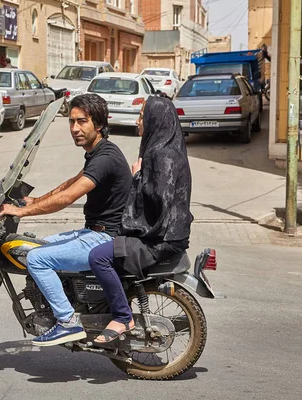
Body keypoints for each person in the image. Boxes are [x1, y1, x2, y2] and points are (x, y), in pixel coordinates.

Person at [0, 94, 132, 346]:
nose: (75, 128)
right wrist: (35, 200)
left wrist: (21, 212)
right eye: (71, 122)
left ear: (99, 124)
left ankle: (68, 322)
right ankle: (68, 303)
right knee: (39, 245)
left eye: (82, 121)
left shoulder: (106, 157)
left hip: (105, 237)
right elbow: (71, 182)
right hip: (95, 231)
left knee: (37, 259)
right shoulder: (98, 153)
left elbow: (69, 196)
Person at [87, 96, 193, 346]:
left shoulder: (162, 154)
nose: (138, 122)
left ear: (155, 120)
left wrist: (137, 178)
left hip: (160, 239)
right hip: (165, 234)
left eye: (142, 116)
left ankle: (123, 317)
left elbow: (160, 200)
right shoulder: (169, 148)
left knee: (97, 256)